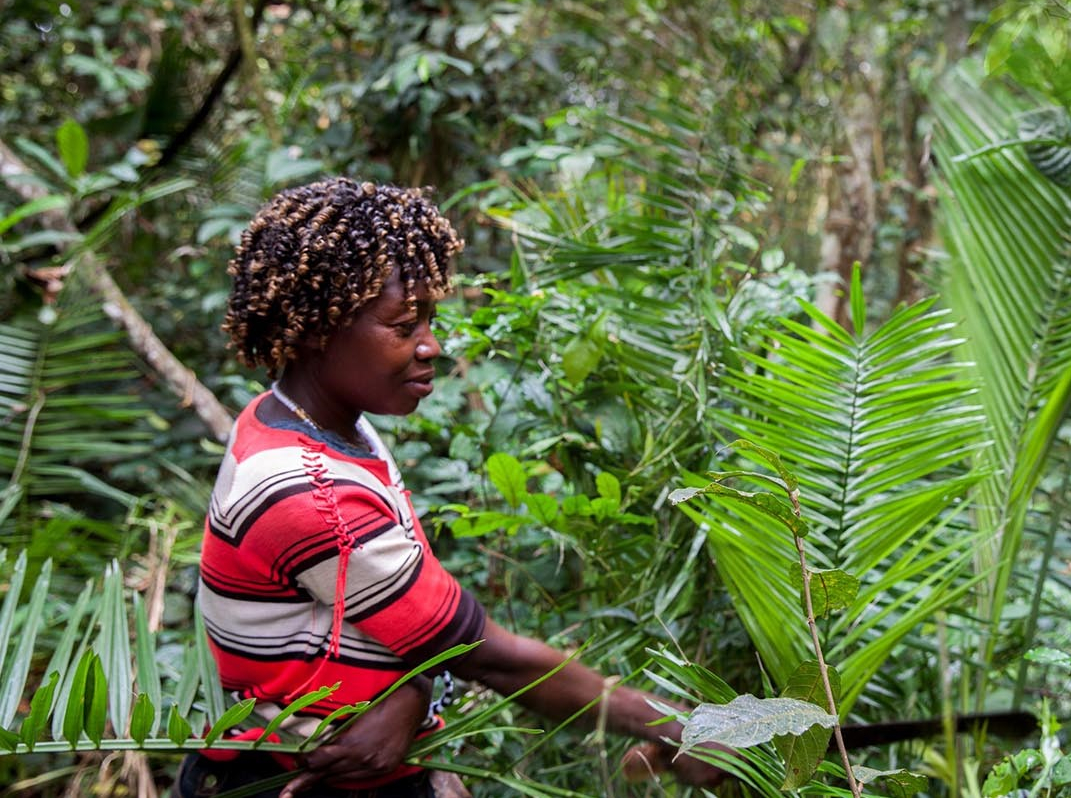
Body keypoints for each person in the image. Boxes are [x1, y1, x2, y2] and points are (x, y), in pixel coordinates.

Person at [178, 178, 729, 798]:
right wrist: (671, 725)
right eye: (404, 324)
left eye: (430, 320)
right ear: (314, 327)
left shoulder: (310, 424)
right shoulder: (305, 492)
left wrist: (412, 695)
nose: (431, 346)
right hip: (285, 780)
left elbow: (404, 613)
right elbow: (481, 652)